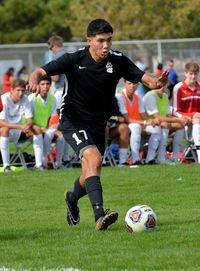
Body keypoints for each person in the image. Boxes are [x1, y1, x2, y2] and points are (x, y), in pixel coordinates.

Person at [28, 19, 168, 231]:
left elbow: (146, 79)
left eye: (109, 40)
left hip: (97, 123)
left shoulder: (118, 60)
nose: (106, 45)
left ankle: (72, 198)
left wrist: (158, 82)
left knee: (90, 172)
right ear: (89, 40)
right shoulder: (75, 58)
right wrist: (34, 78)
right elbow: (40, 72)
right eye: (101, 40)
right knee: (93, 158)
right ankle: (99, 216)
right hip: (72, 119)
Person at [0, 79, 41, 172]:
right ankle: (6, 166)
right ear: (11, 90)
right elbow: (1, 122)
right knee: (5, 129)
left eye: (22, 90)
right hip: (4, 132)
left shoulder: (25, 99)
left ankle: (40, 164)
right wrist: (20, 127)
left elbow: (29, 119)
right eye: (18, 90)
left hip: (18, 132)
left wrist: (28, 125)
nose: (21, 93)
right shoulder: (4, 99)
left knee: (37, 129)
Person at [116, 80, 161, 165]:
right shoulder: (120, 96)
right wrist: (144, 122)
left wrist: (152, 121)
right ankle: (136, 159)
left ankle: (150, 159)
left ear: (138, 85)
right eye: (129, 83)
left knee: (156, 128)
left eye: (134, 83)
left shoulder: (138, 98)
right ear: (125, 84)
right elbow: (127, 119)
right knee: (136, 126)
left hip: (137, 124)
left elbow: (144, 116)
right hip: (124, 126)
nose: (132, 86)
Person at [143, 83, 188, 163]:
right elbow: (158, 117)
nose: (161, 88)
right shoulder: (150, 96)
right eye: (159, 86)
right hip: (148, 124)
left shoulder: (165, 96)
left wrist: (180, 119)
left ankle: (175, 158)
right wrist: (178, 119)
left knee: (180, 125)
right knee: (166, 124)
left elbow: (168, 115)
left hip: (161, 124)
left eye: (163, 85)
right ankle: (159, 158)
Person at [28, 76, 65, 169]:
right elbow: (27, 119)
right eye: (42, 84)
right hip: (32, 129)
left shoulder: (53, 99)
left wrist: (51, 129)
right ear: (38, 86)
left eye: (47, 84)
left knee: (61, 136)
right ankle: (40, 164)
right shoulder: (31, 98)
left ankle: (59, 163)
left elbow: (54, 118)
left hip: (47, 129)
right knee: (42, 134)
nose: (45, 86)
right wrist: (41, 129)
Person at [172, 61, 200, 163]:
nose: (193, 76)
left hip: (197, 121)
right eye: (191, 73)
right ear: (185, 73)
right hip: (183, 121)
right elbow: (175, 110)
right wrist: (187, 117)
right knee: (195, 118)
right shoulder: (178, 88)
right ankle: (175, 158)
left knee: (197, 119)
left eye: (195, 74)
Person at [106, 97, 130, 166]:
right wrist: (115, 118)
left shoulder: (113, 98)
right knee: (105, 127)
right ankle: (103, 159)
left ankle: (123, 161)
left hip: (110, 128)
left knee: (124, 128)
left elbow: (121, 118)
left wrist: (113, 119)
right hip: (95, 128)